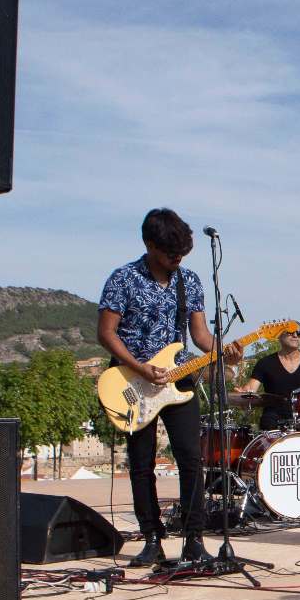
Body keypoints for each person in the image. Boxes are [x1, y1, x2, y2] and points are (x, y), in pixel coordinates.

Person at [98, 208, 242, 568]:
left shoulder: (189, 281)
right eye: (170, 254)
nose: (177, 260)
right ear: (149, 244)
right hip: (132, 380)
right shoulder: (123, 278)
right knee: (142, 464)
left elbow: (199, 336)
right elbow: (106, 332)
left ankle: (193, 539)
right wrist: (139, 367)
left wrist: (226, 351)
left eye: (182, 254)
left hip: (178, 379)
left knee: (192, 459)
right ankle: (151, 538)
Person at [238, 326, 300, 431]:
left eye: (299, 333)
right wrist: (243, 396)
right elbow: (250, 390)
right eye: (290, 332)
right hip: (273, 422)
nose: (295, 335)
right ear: (278, 335)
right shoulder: (265, 363)